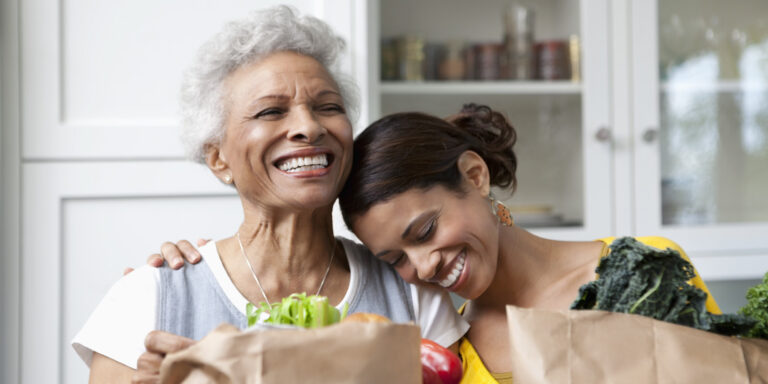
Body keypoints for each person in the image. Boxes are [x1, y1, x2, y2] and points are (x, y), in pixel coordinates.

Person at [158, 104, 721, 383]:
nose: (424, 266)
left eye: (424, 232)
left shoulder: (643, 268)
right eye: (394, 259)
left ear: (474, 176)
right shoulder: (448, 346)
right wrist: (217, 260)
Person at [71, 6, 467, 383]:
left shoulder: (413, 291)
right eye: (270, 112)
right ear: (218, 159)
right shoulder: (147, 297)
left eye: (327, 106)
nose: (309, 127)